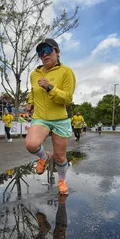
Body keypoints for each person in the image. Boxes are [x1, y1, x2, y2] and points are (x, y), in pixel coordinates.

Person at [25, 38, 76, 195]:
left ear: (57, 52)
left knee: (60, 157)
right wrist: (30, 102)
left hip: (60, 119)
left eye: (48, 50)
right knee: (31, 144)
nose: (44, 55)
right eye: (41, 52)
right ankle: (44, 156)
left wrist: (50, 87)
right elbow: (33, 91)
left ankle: (61, 180)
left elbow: (67, 98)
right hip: (41, 117)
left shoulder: (66, 72)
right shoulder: (35, 74)